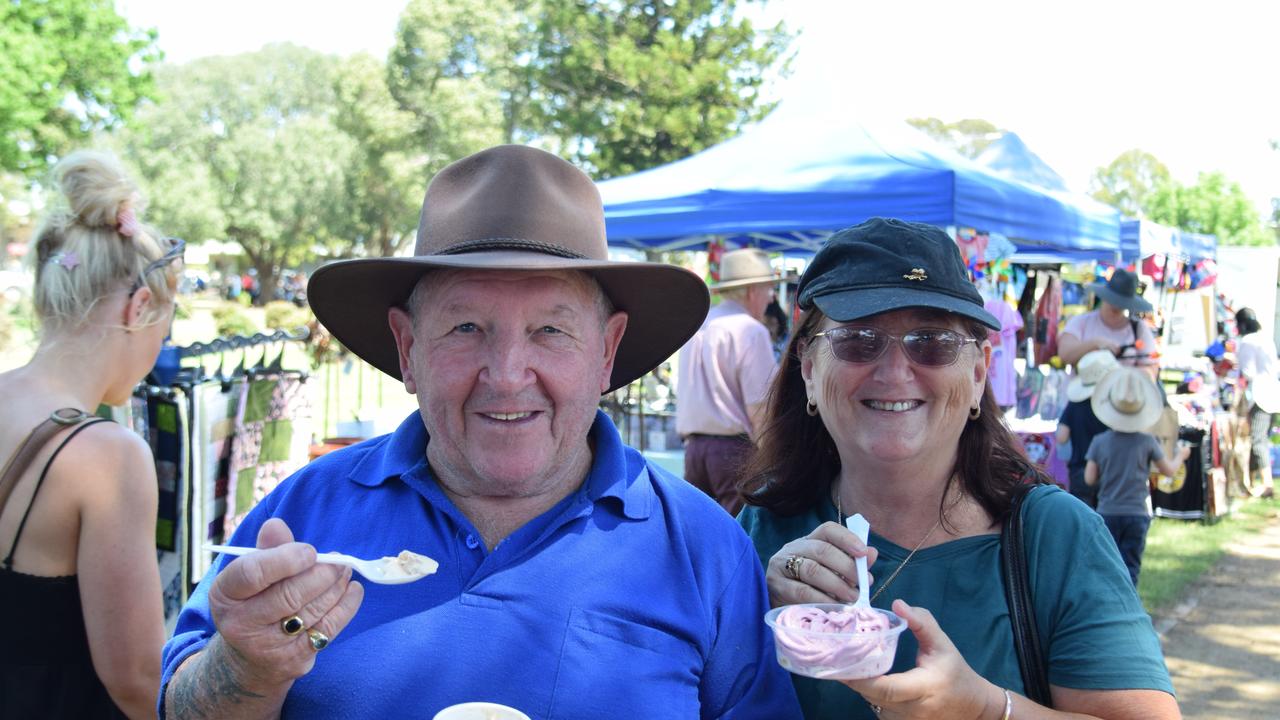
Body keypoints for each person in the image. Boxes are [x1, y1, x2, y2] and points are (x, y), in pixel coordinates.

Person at [159, 145, 802, 719]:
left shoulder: (704, 550)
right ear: (407, 350)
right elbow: (182, 706)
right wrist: (242, 671)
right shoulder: (299, 518)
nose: (506, 376)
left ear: (606, 353)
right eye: (466, 328)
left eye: (550, 330)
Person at [737, 217, 1179, 720]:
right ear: (810, 371)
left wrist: (989, 710)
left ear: (976, 373)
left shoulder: (1055, 536)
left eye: (932, 342)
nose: (895, 371)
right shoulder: (761, 530)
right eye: (858, 340)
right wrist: (752, 605)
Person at [0, 151, 181, 718]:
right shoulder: (107, 456)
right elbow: (136, 678)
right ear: (140, 307)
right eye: (165, 330)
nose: (159, 353)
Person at [676, 247, 781, 514]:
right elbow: (760, 407)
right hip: (733, 452)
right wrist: (774, 458)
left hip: (694, 450)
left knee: (697, 534)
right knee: (739, 539)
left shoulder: (697, 325)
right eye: (768, 289)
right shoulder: (750, 331)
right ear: (751, 291)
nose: (770, 298)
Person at [1085, 367, 1191, 586]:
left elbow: (1089, 479)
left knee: (1109, 565)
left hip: (1108, 511)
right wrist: (1181, 455)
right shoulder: (1147, 442)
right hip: (1137, 512)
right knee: (1131, 566)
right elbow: (1168, 471)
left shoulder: (1099, 442)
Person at [1058, 268, 1159, 379]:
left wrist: (1126, 376)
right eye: (1113, 300)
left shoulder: (1139, 329)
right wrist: (1094, 344)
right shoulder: (1081, 322)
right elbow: (1064, 354)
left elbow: (1151, 368)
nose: (1115, 305)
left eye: (1121, 302)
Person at [1055, 349, 1121, 509]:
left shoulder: (1074, 405)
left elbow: (1061, 437)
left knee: (1082, 522)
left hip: (1080, 470)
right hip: (1109, 469)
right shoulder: (1114, 405)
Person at [1232, 306, 1278, 497]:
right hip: (1273, 394)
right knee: (1258, 439)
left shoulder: (1249, 341)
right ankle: (1249, 480)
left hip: (1259, 395)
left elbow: (1248, 372)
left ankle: (1267, 484)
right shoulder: (1265, 339)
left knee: (1257, 439)